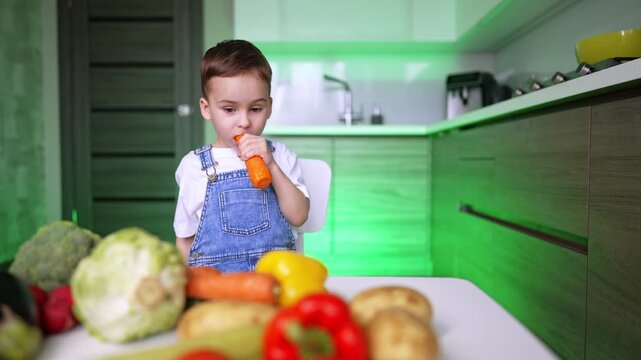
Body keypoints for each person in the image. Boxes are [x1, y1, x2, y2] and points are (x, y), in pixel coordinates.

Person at [173, 40, 310, 271]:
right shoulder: (194, 166)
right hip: (218, 289)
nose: (244, 122)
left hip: (275, 282)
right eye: (229, 109)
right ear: (207, 109)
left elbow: (299, 217)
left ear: (269, 107)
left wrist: (272, 166)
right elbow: (185, 239)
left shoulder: (280, 156)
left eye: (255, 109)